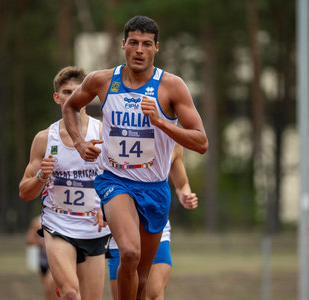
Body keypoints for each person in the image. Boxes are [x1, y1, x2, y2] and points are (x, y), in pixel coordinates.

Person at [62, 15, 208, 300]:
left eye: (146, 44)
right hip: (114, 180)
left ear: (156, 48)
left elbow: (201, 142)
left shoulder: (171, 87)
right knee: (129, 251)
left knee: (142, 280)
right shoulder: (102, 81)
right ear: (123, 45)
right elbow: (71, 106)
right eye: (133, 43)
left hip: (154, 188)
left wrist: (162, 121)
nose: (139, 49)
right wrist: (79, 144)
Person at [19, 66, 110, 300]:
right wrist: (41, 176)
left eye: (77, 91)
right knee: (70, 292)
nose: (72, 97)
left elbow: (120, 181)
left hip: (94, 227)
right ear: (57, 97)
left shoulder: (103, 133)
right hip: (58, 224)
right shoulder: (44, 139)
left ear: (87, 95)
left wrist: (106, 206)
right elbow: (25, 192)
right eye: (66, 92)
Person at [107, 143, 198, 300]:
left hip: (155, 226)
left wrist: (185, 194)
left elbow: (182, 183)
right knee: (127, 295)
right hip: (123, 229)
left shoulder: (172, 142)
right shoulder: (117, 130)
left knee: (153, 293)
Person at [26, 216, 58, 300]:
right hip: (43, 261)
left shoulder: (60, 219)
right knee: (48, 290)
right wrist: (43, 242)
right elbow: (29, 240)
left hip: (55, 260)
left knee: (50, 285)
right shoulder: (37, 222)